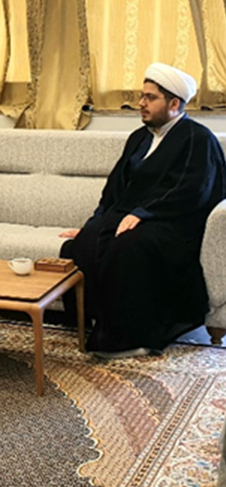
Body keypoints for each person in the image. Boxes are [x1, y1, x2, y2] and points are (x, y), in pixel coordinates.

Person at [59, 63, 226, 359]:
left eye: (150, 97)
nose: (141, 103)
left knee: (128, 248)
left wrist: (144, 213)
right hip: (131, 217)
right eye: (142, 96)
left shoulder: (197, 139)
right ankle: (95, 324)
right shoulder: (139, 138)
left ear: (174, 104)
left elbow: (193, 190)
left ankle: (135, 338)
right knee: (85, 241)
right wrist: (95, 221)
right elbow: (114, 189)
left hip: (174, 225)